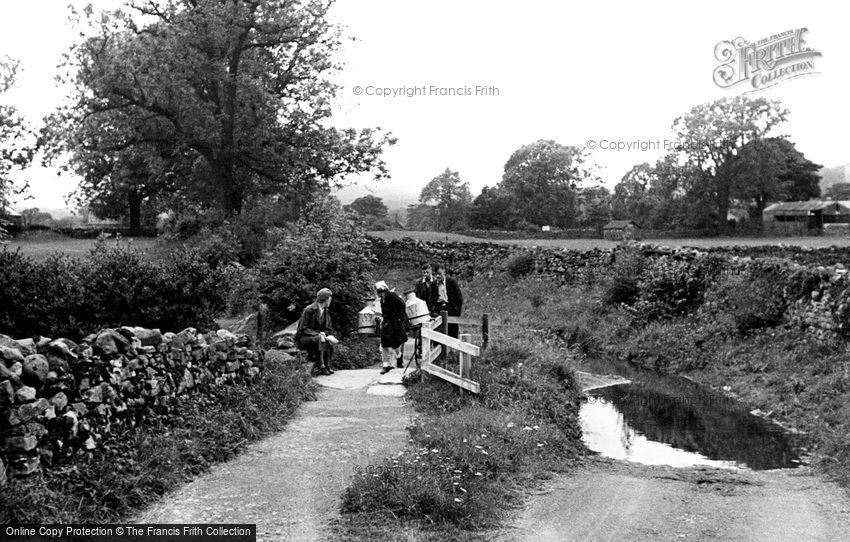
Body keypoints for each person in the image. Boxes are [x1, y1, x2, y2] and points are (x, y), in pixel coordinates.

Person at [295, 287, 339, 376]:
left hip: (316, 336)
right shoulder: (309, 310)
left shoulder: (326, 311)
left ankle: (327, 365)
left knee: (327, 340)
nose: (330, 301)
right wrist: (319, 334)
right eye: (329, 299)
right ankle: (321, 365)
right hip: (304, 338)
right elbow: (302, 329)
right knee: (320, 338)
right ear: (325, 300)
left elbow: (328, 328)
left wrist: (325, 334)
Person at [374, 281, 408, 374]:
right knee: (384, 343)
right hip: (387, 322)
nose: (377, 293)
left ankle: (399, 356)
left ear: (382, 289)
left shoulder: (392, 295)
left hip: (395, 322)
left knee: (396, 344)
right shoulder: (382, 300)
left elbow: (402, 305)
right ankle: (385, 366)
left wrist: (400, 318)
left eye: (378, 290)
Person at [434, 264, 463, 339]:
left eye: (439, 274)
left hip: (451, 310)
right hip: (439, 311)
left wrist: (457, 312)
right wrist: (434, 311)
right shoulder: (433, 285)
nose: (437, 276)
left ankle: (452, 350)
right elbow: (431, 300)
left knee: (452, 334)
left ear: (444, 273)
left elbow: (459, 298)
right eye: (436, 274)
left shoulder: (451, 282)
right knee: (439, 335)